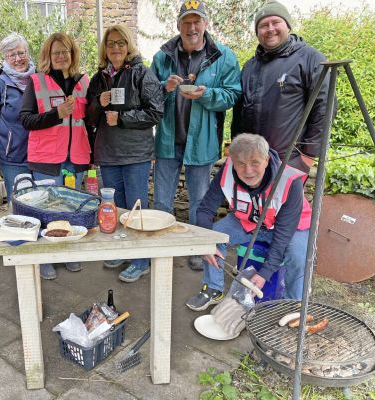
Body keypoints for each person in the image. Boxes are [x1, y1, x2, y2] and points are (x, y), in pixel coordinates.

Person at [150, 0, 241, 271]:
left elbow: (233, 94)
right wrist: (165, 88)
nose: (192, 27)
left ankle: (197, 247)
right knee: (162, 200)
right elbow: (149, 95)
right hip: (167, 140)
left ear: (205, 24)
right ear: (178, 25)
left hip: (201, 143)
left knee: (200, 201)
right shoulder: (162, 57)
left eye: (196, 21)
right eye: (186, 22)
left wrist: (207, 94)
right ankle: (163, 248)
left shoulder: (223, 56)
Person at [186, 134, 312, 311]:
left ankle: (292, 304)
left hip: (290, 227)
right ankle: (213, 288)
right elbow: (206, 208)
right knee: (214, 237)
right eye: (241, 164)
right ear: (233, 161)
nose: (248, 171)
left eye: (255, 163)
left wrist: (264, 274)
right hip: (249, 221)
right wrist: (205, 244)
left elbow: (283, 235)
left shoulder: (290, 182)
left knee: (298, 256)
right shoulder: (227, 171)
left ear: (266, 160)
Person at [86, 24, 164, 282]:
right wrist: (99, 103)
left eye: (120, 43)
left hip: (135, 154)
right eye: (111, 44)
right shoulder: (99, 78)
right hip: (108, 153)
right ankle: (123, 250)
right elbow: (88, 116)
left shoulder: (142, 73)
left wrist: (121, 118)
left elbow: (155, 112)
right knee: (116, 208)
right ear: (105, 49)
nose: (116, 48)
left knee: (136, 208)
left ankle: (141, 260)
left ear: (128, 45)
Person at [20, 32, 90, 280]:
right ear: (48, 55)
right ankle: (46, 257)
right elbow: (26, 119)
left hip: (77, 157)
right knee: (46, 209)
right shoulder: (36, 81)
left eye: (66, 51)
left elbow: (89, 121)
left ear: (73, 54)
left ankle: (68, 252)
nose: (61, 56)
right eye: (56, 52)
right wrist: (56, 112)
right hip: (46, 159)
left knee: (72, 209)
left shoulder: (84, 81)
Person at [231, 0, 329, 174]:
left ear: (288, 26)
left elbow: (324, 108)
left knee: (286, 202)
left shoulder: (310, 59)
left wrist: (308, 156)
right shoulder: (249, 67)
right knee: (251, 202)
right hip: (251, 161)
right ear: (257, 32)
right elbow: (239, 112)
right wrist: (236, 146)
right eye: (263, 25)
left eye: (275, 22)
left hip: (289, 161)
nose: (270, 29)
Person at [0, 33, 35, 202]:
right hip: (14, 155)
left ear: (27, 53)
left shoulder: (39, 78)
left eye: (21, 53)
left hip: (41, 153)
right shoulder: (0, 85)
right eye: (12, 55)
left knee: (41, 200)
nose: (18, 59)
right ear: (5, 57)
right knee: (20, 201)